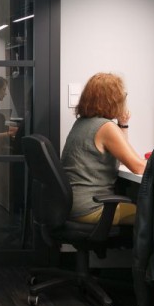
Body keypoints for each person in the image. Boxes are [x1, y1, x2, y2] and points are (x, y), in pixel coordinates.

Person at [61, 72, 145, 225]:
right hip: (92, 207)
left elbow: (121, 157)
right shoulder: (106, 127)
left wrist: (123, 124)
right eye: (123, 96)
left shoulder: (82, 123)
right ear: (113, 100)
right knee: (151, 213)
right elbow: (138, 167)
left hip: (72, 205)